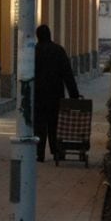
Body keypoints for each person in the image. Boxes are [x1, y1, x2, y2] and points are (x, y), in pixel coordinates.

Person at [34, 24, 80, 162]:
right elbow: (67, 74)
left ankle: (40, 153)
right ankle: (56, 151)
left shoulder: (34, 51)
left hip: (38, 95)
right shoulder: (58, 50)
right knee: (54, 124)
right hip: (55, 94)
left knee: (40, 125)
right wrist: (74, 94)